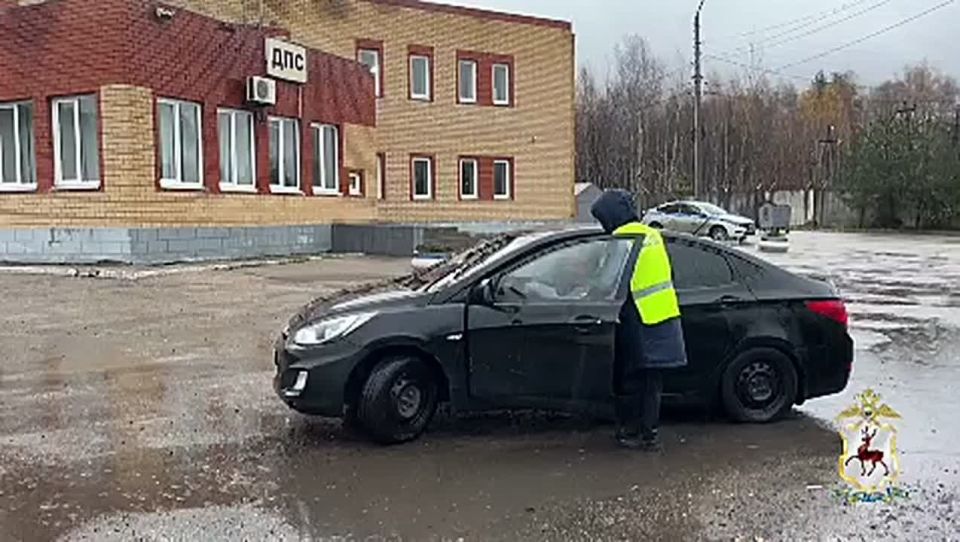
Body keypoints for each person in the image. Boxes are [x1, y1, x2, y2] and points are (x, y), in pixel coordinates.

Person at [590, 190, 687, 451]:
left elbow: (606, 280)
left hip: (640, 317)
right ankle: (649, 433)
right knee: (652, 382)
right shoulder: (650, 234)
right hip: (663, 314)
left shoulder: (624, 239)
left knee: (633, 380)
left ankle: (637, 434)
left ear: (611, 216)